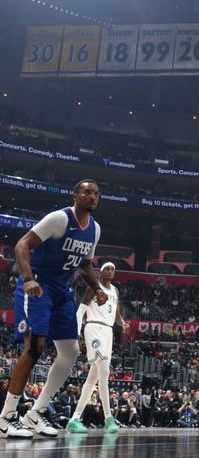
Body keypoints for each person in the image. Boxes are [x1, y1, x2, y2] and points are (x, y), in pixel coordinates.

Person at [1, 181, 105, 439]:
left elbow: (85, 265)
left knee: (70, 351)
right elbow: (22, 245)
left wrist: (98, 287)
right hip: (38, 285)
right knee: (35, 347)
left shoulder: (95, 229)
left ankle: (36, 412)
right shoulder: (59, 219)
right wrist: (27, 278)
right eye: (87, 192)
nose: (92, 197)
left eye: (96, 194)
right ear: (75, 195)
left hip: (62, 291)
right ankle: (7, 416)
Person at [68, 262, 130, 433]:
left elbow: (116, 313)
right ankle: (109, 417)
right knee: (104, 371)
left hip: (108, 332)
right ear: (100, 273)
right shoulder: (92, 289)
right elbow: (80, 313)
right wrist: (77, 335)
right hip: (93, 327)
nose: (111, 271)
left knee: (94, 377)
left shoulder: (115, 291)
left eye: (113, 269)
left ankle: (74, 419)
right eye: (107, 269)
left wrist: (123, 323)